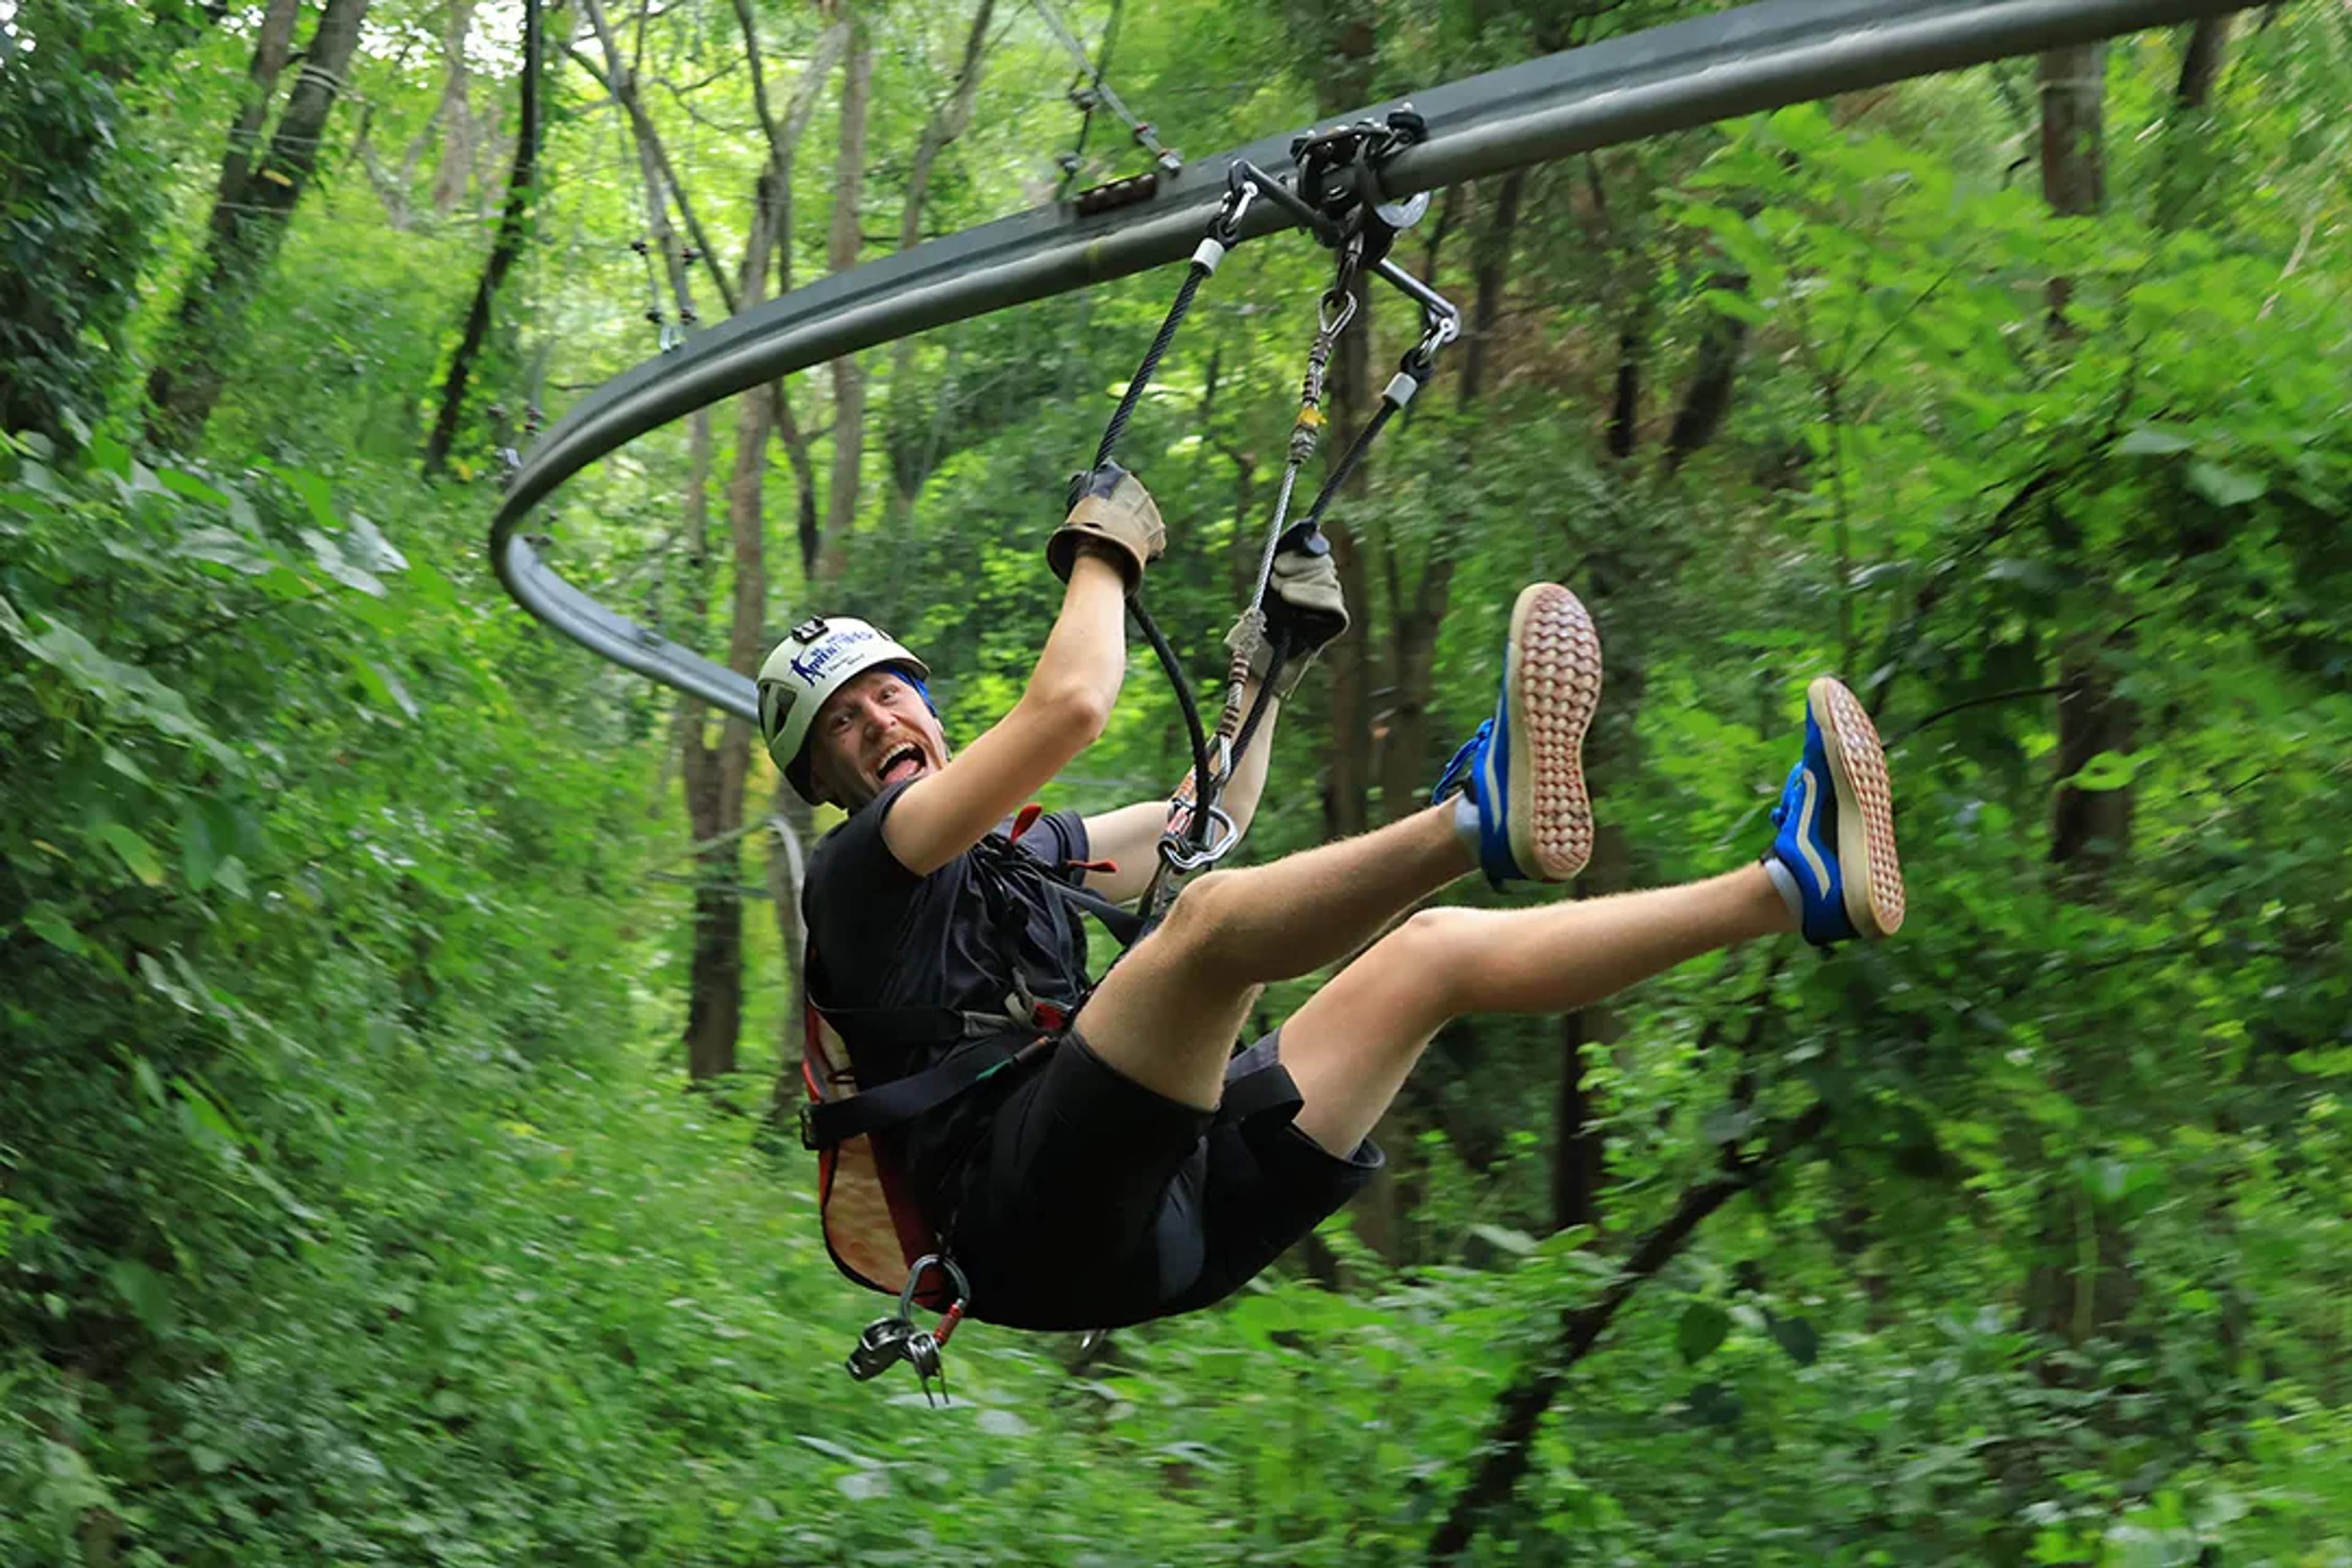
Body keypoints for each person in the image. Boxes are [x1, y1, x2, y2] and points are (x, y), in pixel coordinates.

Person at [759, 465, 1904, 1331]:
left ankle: (1793, 886)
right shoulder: (864, 875)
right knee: (1211, 936)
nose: (878, 731)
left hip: (1165, 1223)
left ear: (926, 701)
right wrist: (1101, 550)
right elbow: (1071, 705)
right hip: (1021, 1220)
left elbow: (1196, 828)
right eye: (843, 731)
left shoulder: (1023, 854)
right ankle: (1478, 819)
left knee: (1433, 957)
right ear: (826, 786)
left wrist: (1268, 677)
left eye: (886, 696)